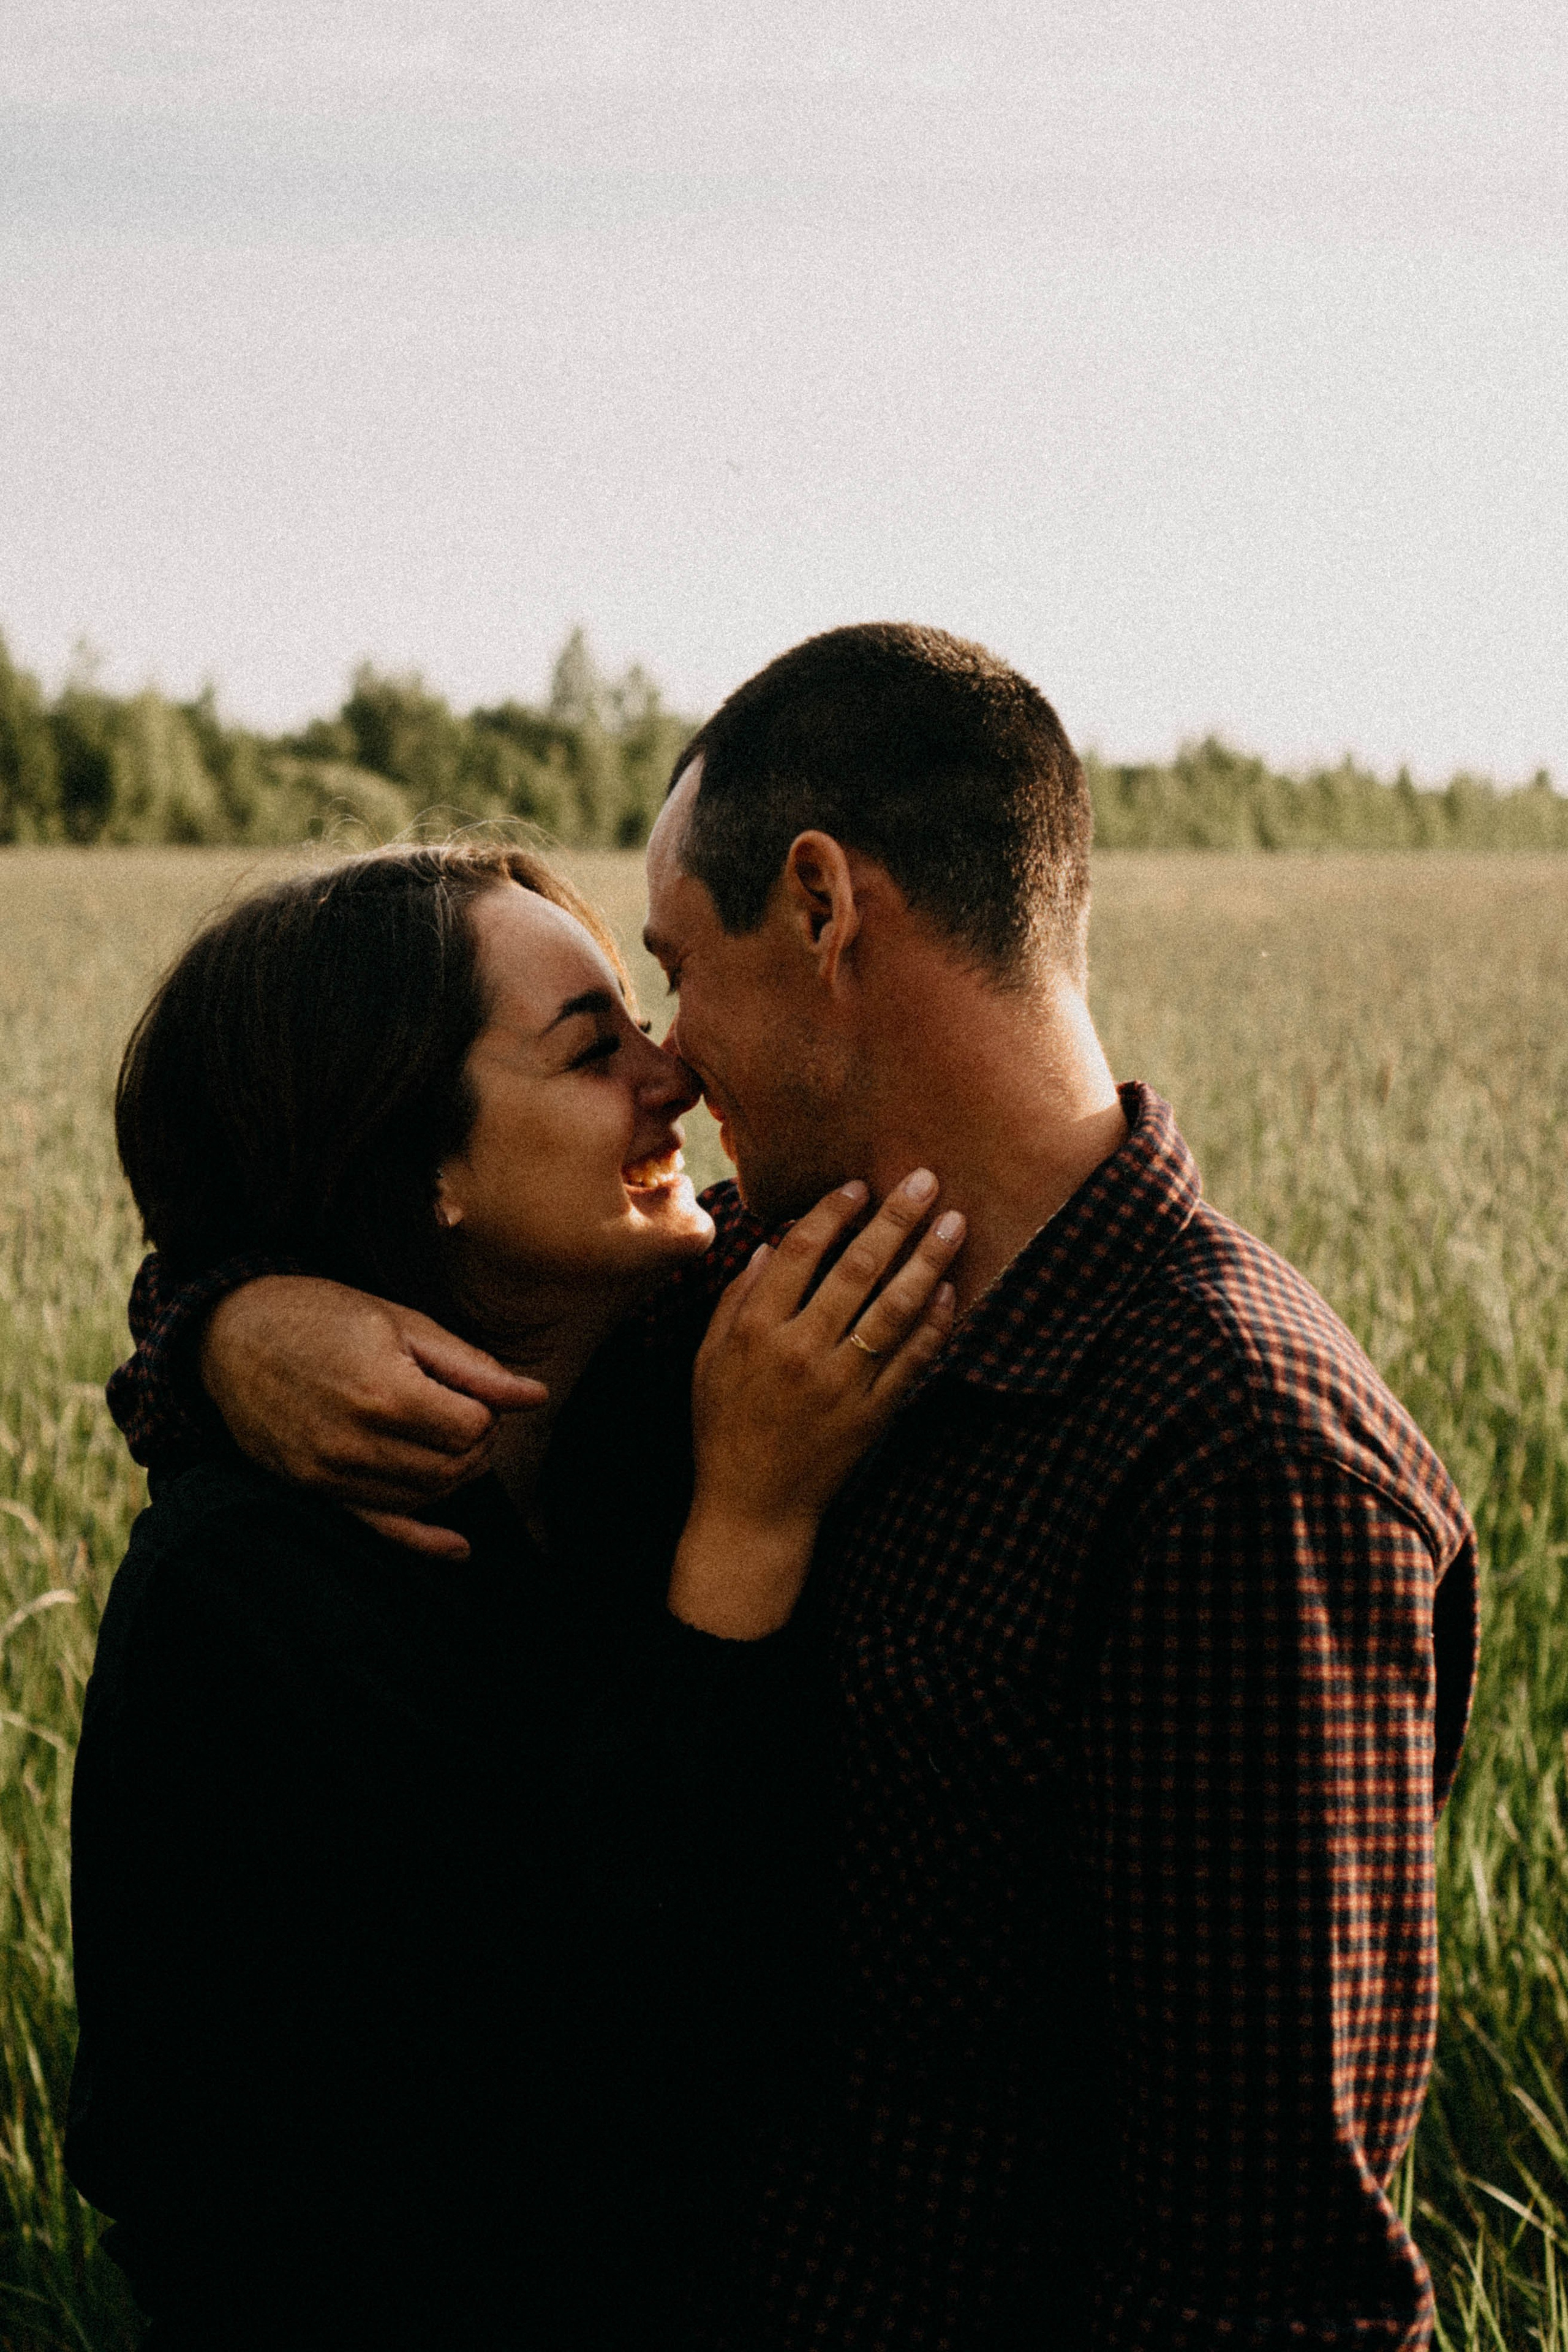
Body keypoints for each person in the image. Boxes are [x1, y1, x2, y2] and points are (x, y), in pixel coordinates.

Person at [111, 625, 1479, 2351]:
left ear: (824, 907)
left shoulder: (1240, 1461)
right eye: (613, 1027)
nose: (673, 1063)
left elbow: (1266, 2288)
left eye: (673, 975)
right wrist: (230, 1327)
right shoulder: (749, 1299)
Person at [69, 841, 963, 2350]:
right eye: (591, 1050)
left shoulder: (668, 1380)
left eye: (642, 1021)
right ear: (419, 1170)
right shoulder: (247, 1600)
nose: (674, 1077)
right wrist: (745, 1534)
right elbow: (586, 2070)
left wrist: (219, 1320)